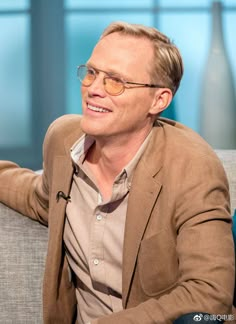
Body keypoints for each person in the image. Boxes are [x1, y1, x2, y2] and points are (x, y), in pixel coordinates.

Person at [0, 21, 235, 324]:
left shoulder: (192, 167)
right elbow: (38, 198)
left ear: (158, 100)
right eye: (92, 73)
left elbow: (210, 297)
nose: (94, 90)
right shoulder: (63, 140)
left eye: (116, 81)